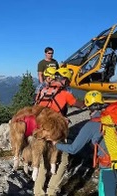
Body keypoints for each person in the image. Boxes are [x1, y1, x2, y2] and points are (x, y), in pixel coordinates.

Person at [54, 90, 117, 196]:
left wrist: (56, 144)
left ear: (88, 107)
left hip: (109, 167)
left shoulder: (91, 125)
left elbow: (73, 149)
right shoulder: (114, 118)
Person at [34, 67, 85, 196]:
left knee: (43, 160)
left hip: (40, 129)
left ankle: (38, 192)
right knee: (63, 160)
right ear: (65, 80)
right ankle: (52, 191)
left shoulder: (43, 90)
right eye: (67, 81)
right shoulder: (64, 93)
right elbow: (80, 104)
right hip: (55, 131)